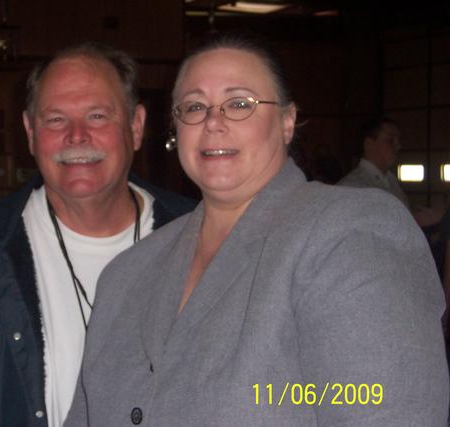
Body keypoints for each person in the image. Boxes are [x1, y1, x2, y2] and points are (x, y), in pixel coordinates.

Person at [66, 34, 448, 426]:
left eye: (239, 104)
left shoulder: (347, 234)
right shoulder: (127, 273)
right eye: (194, 107)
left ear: (287, 121)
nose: (213, 122)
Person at [0, 42, 194, 427]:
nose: (77, 136)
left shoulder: (204, 241)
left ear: (135, 126)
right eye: (55, 120)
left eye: (97, 116)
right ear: (30, 132)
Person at [338, 117, 409, 207]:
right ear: (369, 144)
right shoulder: (351, 186)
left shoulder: (391, 180)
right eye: (390, 140)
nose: (398, 146)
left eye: (398, 141)